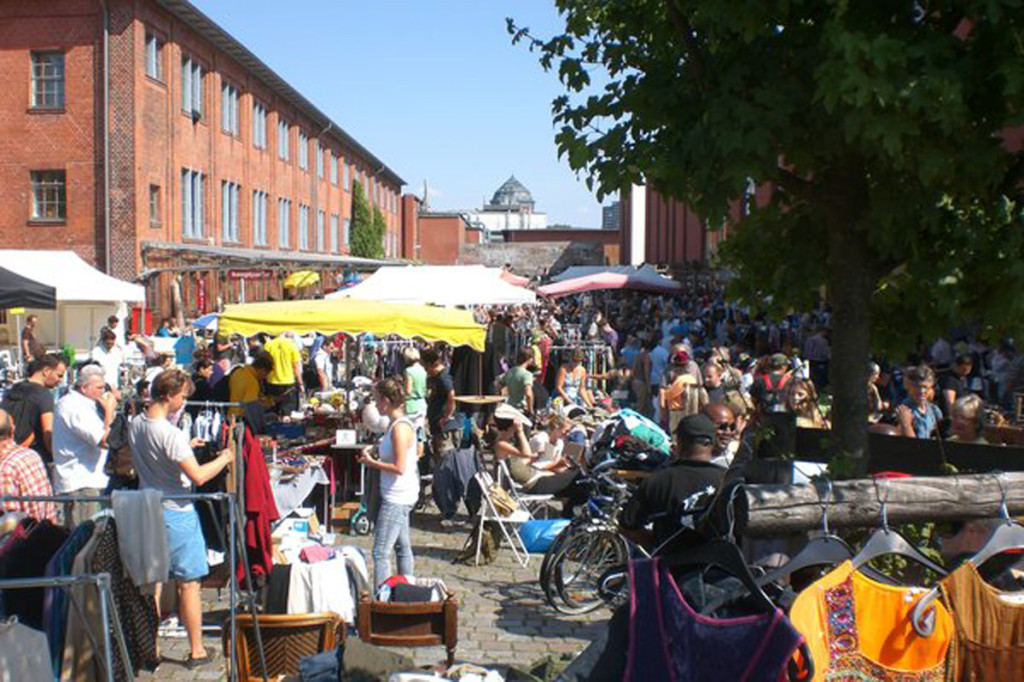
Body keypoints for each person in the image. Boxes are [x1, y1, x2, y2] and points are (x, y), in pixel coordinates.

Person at [129, 369, 234, 669]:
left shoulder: (137, 423)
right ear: (169, 396)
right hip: (176, 510)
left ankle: (152, 646)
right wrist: (224, 459)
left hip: (148, 506)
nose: (184, 403)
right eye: (183, 397)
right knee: (188, 583)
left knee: (154, 583)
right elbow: (198, 476)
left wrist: (187, 449)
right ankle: (197, 650)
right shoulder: (169, 432)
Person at [620, 414, 726, 550]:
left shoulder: (658, 480)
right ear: (712, 443)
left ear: (679, 442)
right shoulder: (726, 480)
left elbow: (627, 526)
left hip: (670, 567)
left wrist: (655, 543)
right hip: (716, 566)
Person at [357, 378, 419, 588]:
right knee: (402, 546)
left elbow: (399, 467)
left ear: (385, 400)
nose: (374, 405)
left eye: (376, 400)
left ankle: (382, 600)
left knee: (381, 551)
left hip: (397, 495)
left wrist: (372, 463)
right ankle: (406, 590)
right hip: (400, 492)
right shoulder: (394, 424)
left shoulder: (400, 428)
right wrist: (375, 451)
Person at [52, 365, 117, 525]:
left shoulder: (85, 404)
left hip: (88, 478)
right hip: (81, 482)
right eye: (99, 387)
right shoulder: (74, 406)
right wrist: (109, 411)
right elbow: (104, 440)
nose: (103, 391)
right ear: (84, 387)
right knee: (85, 538)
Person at [0, 353, 66, 462]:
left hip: (7, 455)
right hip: (32, 457)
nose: (60, 380)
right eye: (59, 375)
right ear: (46, 371)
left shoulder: (14, 389)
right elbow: (47, 434)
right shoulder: (44, 396)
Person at [0, 408, 57, 522]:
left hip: (25, 536)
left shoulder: (4, 468)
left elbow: (8, 524)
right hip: (46, 531)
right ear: (12, 429)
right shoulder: (30, 454)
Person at [660, 350, 709, 435]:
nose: (681, 367)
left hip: (693, 407)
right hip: (676, 409)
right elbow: (663, 389)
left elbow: (700, 386)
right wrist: (663, 410)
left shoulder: (693, 367)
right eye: (679, 365)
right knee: (677, 432)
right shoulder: (669, 369)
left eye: (683, 365)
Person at [423, 348, 456, 457]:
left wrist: (447, 416)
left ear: (430, 364)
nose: (425, 370)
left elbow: (452, 395)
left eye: (425, 367)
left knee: (444, 455)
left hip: (442, 426)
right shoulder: (435, 377)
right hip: (436, 424)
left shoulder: (443, 377)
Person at [897, 365, 943, 439]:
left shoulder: (934, 410)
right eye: (917, 386)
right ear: (908, 386)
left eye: (925, 387)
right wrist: (906, 425)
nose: (921, 391)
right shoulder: (902, 410)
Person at [263, 332, 303, 414]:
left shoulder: (268, 345)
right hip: (288, 382)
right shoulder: (291, 345)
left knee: (273, 411)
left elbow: (264, 364)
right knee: (288, 411)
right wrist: (300, 383)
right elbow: (296, 366)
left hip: (272, 381)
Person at [227, 351, 274, 415]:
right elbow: (251, 408)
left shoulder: (238, 372)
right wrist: (267, 405)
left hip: (230, 414)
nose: (265, 377)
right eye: (266, 374)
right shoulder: (252, 383)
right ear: (262, 370)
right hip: (241, 418)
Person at [402, 347, 427, 459]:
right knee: (419, 433)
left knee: (408, 432)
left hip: (411, 405)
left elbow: (408, 390)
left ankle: (409, 457)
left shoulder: (409, 371)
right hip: (422, 403)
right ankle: (419, 458)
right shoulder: (423, 370)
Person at [497, 348, 535, 414]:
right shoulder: (527, 374)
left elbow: (498, 385)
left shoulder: (510, 371)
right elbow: (528, 394)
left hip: (509, 407)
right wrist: (530, 410)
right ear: (530, 359)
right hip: (520, 410)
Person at [703, 403, 740, 468]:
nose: (728, 432)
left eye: (732, 427)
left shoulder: (737, 462)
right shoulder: (688, 460)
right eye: (722, 427)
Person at [939, 353, 974, 418]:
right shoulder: (950, 380)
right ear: (957, 366)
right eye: (963, 369)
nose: (965, 372)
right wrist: (952, 417)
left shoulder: (962, 378)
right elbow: (949, 402)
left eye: (968, 370)